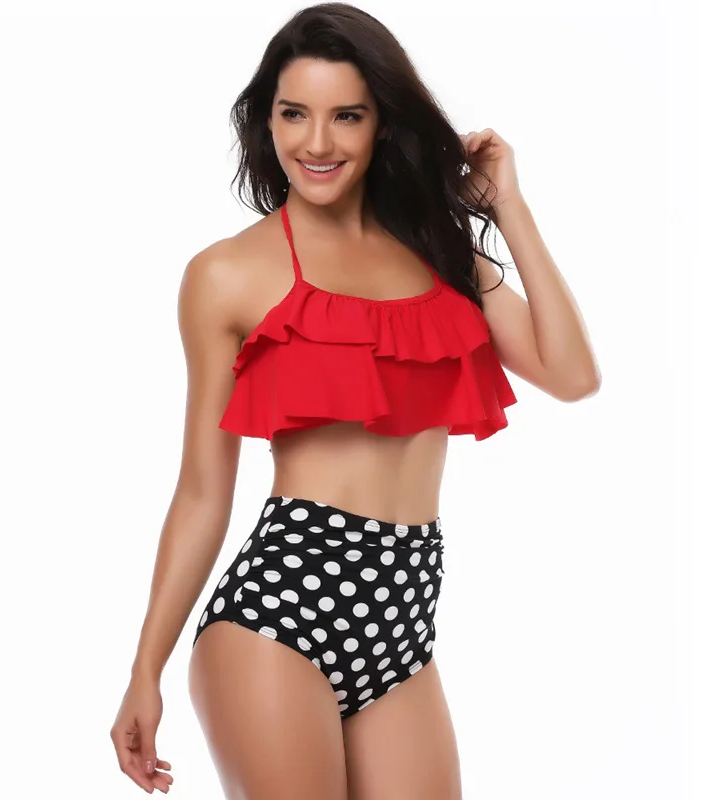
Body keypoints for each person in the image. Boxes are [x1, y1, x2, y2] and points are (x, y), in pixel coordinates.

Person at [109, 2, 600, 797]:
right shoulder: (227, 275)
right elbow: (203, 489)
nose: (317, 143)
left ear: (382, 125)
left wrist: (507, 207)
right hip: (279, 613)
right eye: (293, 113)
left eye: (346, 116)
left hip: (406, 620)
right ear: (266, 121)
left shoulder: (440, 251)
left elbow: (572, 375)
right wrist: (145, 669)